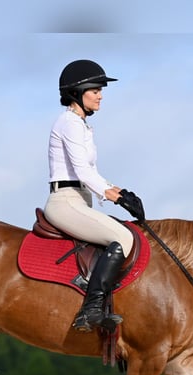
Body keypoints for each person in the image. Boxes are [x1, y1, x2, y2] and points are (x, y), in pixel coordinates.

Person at [45, 59, 135, 333]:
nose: (100, 95)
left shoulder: (82, 125)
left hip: (80, 198)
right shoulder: (69, 123)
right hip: (65, 202)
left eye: (100, 90)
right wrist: (113, 197)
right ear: (77, 92)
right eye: (95, 89)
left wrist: (122, 192)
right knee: (123, 237)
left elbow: (92, 171)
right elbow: (83, 172)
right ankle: (91, 309)